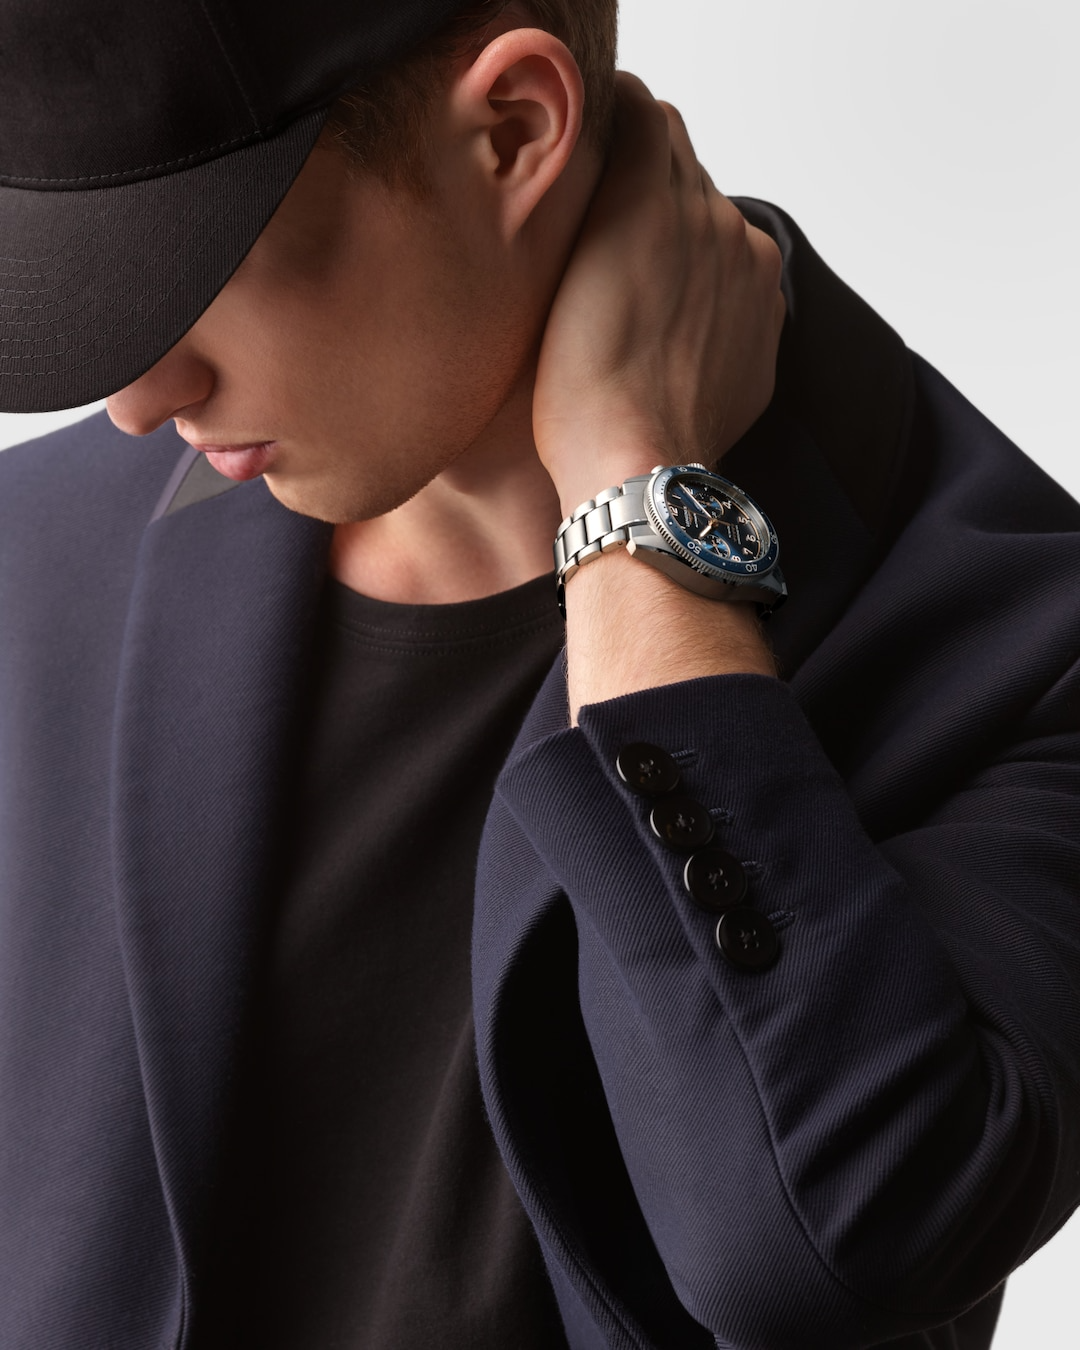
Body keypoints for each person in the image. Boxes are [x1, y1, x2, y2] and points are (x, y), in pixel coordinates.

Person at [0, 1, 1078, 1348]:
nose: (138, 394)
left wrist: (638, 513)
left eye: (195, 259)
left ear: (512, 129)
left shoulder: (1023, 643)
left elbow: (815, 1254)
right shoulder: (35, 558)